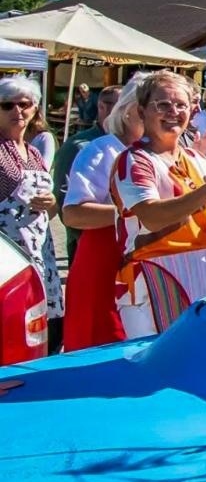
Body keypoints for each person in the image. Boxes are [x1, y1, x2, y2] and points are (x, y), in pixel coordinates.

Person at [111, 71, 206, 337]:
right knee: (161, 365)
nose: (173, 112)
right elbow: (152, 217)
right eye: (162, 105)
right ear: (142, 112)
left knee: (201, 359)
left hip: (203, 271)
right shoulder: (135, 160)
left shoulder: (196, 158)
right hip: (155, 273)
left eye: (181, 105)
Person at [60, 78, 145, 351]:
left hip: (144, 267)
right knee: (102, 348)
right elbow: (73, 214)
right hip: (105, 268)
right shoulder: (103, 149)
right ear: (132, 109)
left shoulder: (161, 152)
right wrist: (136, 213)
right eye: (159, 106)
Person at [0, 76, 62, 351]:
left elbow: (53, 210)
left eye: (24, 104)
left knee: (46, 332)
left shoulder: (36, 153)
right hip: (7, 259)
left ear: (35, 108)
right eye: (7, 105)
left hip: (41, 254)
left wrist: (51, 203)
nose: (17, 111)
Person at [54, 83, 121, 265]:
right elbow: (62, 197)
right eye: (121, 105)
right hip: (86, 242)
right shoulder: (78, 145)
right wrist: (83, 235)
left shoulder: (128, 144)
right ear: (102, 107)